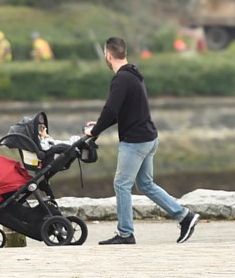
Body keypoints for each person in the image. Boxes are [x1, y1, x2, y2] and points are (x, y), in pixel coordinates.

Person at [84, 36, 199, 245]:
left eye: (105, 54)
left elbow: (111, 109)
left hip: (135, 141)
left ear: (108, 55)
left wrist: (94, 131)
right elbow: (120, 111)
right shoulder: (133, 74)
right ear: (123, 53)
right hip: (148, 137)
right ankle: (185, 216)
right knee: (145, 184)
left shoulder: (121, 78)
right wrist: (98, 126)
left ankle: (125, 234)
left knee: (121, 184)